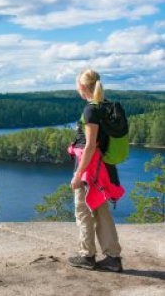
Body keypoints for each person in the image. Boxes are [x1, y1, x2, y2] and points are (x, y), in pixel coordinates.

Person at [67, 69, 123, 272]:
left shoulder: (91, 109)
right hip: (104, 169)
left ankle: (87, 256)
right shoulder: (107, 105)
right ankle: (113, 258)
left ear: (82, 87)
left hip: (90, 170)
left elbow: (90, 146)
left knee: (83, 211)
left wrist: (77, 175)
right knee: (101, 210)